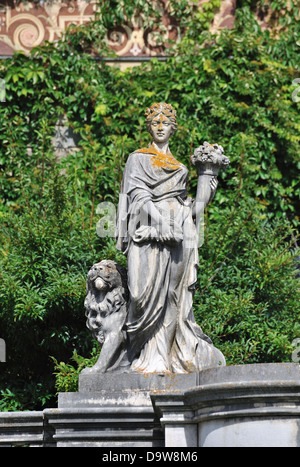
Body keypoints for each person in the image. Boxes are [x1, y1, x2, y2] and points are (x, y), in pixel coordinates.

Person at [115, 103, 225, 373]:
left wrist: (203, 198)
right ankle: (137, 355)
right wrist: (161, 223)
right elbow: (137, 195)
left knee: (174, 297)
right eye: (155, 123)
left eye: (165, 123)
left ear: (173, 128)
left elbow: (188, 207)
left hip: (180, 230)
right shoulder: (138, 158)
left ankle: (161, 358)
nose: (160, 127)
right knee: (140, 296)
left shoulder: (178, 165)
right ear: (149, 127)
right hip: (149, 231)